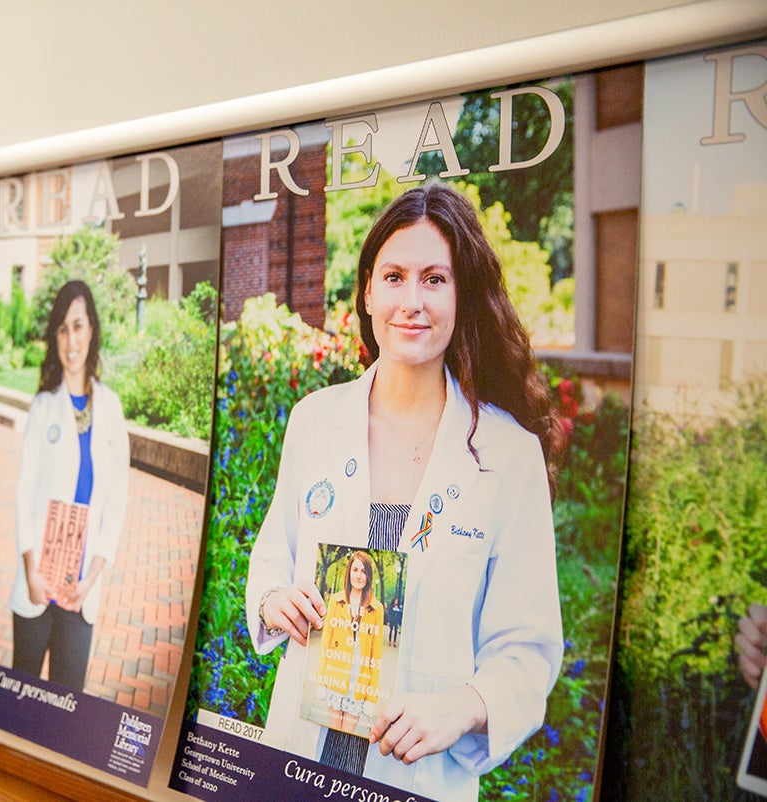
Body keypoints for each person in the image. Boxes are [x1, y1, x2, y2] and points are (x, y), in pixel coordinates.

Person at [245, 183, 564, 802]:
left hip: (416, 777)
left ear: (461, 294)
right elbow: (270, 558)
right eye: (393, 276)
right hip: (299, 764)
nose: (411, 301)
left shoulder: (508, 458)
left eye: (435, 279)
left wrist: (464, 705)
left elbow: (526, 651)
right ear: (367, 291)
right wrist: (273, 602)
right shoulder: (313, 420)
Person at [10, 280, 130, 691]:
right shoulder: (43, 407)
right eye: (62, 329)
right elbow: (24, 494)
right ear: (54, 338)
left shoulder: (110, 409)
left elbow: (115, 502)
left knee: (66, 706)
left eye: (78, 326)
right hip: (38, 584)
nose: (71, 339)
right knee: (19, 698)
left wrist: (92, 578)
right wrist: (30, 571)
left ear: (92, 330)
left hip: (80, 592)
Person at [315, 551, 384, 738]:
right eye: (355, 569)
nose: (359, 575)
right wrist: (321, 680)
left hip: (359, 684)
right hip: (335, 677)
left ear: (369, 576)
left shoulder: (376, 609)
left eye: (363, 570)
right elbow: (325, 644)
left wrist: (372, 696)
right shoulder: (336, 601)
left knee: (347, 738)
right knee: (333, 735)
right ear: (349, 573)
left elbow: (375, 656)